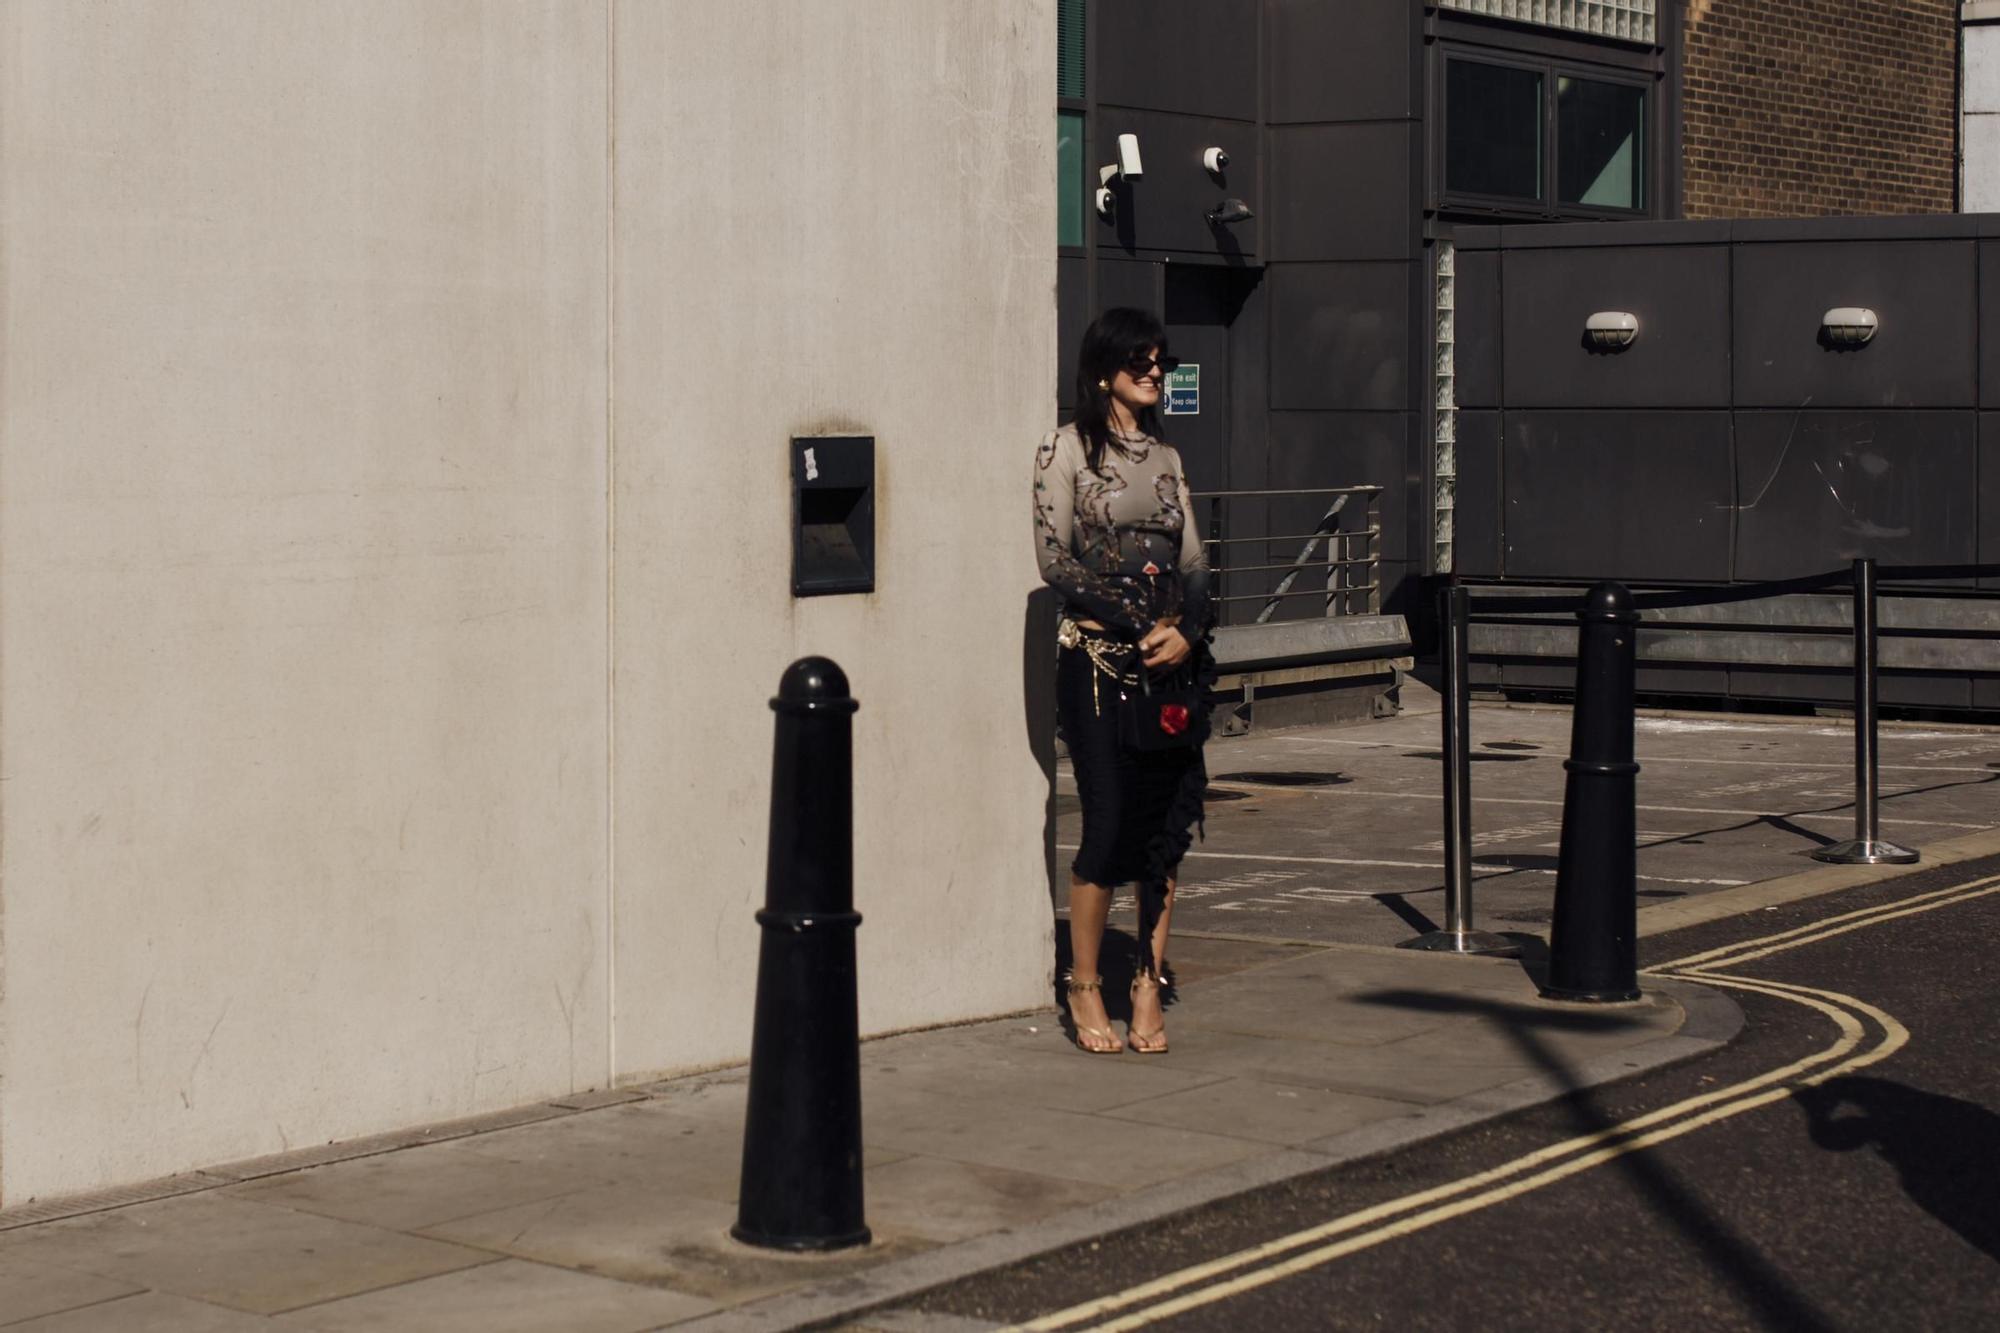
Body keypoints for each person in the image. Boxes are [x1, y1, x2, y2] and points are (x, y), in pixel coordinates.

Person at [1032, 307, 1213, 1055]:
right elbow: (1055, 558)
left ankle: (1145, 979)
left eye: (1160, 361)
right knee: (1106, 819)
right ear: (1104, 370)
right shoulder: (1065, 449)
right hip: (1098, 662)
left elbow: (1195, 563)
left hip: (1170, 669)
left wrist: (1186, 630)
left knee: (1164, 829)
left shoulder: (1168, 459)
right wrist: (1140, 623)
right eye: (1139, 360)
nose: (1153, 371)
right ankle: (1083, 984)